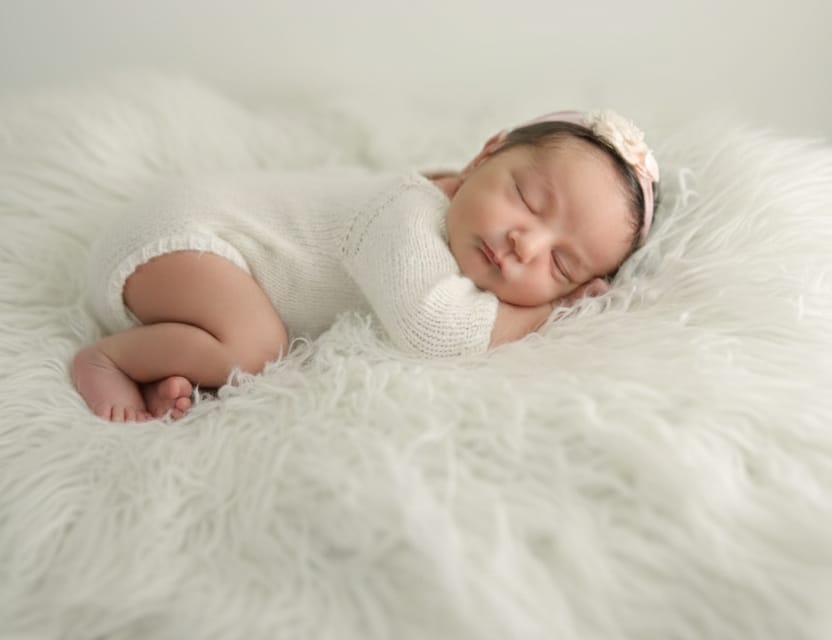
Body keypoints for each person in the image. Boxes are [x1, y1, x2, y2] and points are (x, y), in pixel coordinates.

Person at [72, 109, 660, 423]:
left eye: (560, 264)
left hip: (193, 257)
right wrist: (550, 310)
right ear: (484, 154)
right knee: (255, 348)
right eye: (529, 201)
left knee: (239, 344)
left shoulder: (451, 210)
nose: (525, 244)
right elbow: (434, 329)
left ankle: (173, 360)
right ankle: (109, 358)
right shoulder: (404, 214)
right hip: (174, 236)